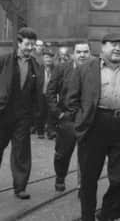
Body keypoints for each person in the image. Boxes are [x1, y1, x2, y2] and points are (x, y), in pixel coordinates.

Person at [67, 33, 120, 221]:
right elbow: (71, 100)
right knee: (89, 179)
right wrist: (80, 121)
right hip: (93, 127)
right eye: (113, 45)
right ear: (102, 48)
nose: (118, 48)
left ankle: (108, 215)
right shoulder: (85, 69)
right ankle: (87, 217)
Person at [0, 27, 42, 198]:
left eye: (33, 45)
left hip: (23, 117)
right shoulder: (1, 61)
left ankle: (20, 187)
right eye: (27, 44)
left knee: (21, 152)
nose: (30, 48)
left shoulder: (36, 66)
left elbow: (36, 94)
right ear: (19, 43)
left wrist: (35, 117)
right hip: (1, 115)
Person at [46, 41, 91, 191]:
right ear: (73, 54)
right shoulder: (61, 69)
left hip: (87, 119)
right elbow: (50, 92)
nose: (82, 55)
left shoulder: (95, 70)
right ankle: (60, 177)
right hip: (67, 119)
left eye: (85, 52)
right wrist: (58, 114)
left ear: (90, 53)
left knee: (86, 155)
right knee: (62, 153)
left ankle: (83, 184)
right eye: (79, 52)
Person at [35, 49, 56, 139]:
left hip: (51, 96)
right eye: (47, 57)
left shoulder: (56, 69)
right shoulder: (38, 69)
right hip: (40, 95)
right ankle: (40, 131)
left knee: (51, 113)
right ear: (43, 58)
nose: (49, 59)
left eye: (51, 57)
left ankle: (50, 132)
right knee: (40, 113)